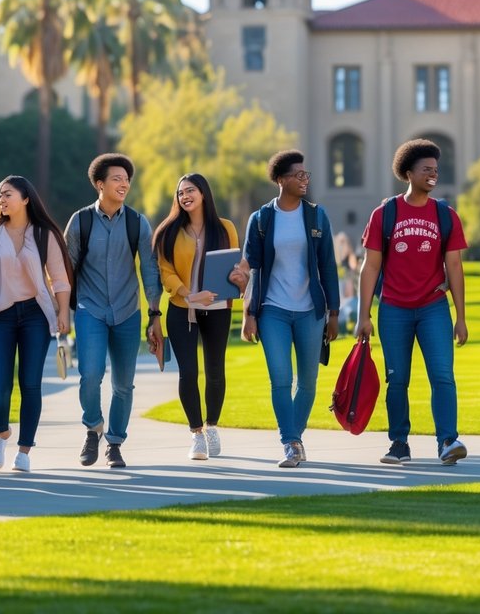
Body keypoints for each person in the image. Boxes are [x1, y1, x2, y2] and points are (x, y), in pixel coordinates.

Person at [356, 138, 469, 466]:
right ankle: (399, 443)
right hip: (394, 309)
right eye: (426, 169)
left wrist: (461, 317)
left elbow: (454, 267)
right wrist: (364, 315)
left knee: (443, 376)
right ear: (408, 173)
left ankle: (447, 441)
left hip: (434, 308)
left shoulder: (446, 215)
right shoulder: (385, 214)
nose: (433, 174)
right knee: (397, 379)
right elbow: (370, 266)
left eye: (436, 170)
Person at [240, 150, 341, 468]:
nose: (304, 180)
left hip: (311, 311)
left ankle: (294, 438)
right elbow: (252, 269)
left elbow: (328, 266)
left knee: (308, 382)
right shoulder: (260, 220)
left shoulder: (317, 216)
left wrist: (334, 312)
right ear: (281, 180)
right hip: (273, 310)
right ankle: (291, 442)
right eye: (298, 175)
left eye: (306, 174)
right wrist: (248, 315)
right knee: (281, 379)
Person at [65, 154, 162, 470]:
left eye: (127, 179)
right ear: (100, 184)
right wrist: (61, 312)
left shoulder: (137, 223)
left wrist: (155, 313)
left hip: (126, 311)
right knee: (90, 375)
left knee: (123, 384)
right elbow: (66, 269)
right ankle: (93, 428)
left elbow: (149, 269)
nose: (124, 184)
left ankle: (115, 443)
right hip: (89, 308)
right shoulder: (80, 222)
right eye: (117, 178)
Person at [0, 176, 73, 473]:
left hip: (35, 316)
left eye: (8, 194)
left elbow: (59, 277)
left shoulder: (44, 234)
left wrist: (63, 313)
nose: (1, 199)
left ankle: (25, 450)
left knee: (30, 383)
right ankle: (0, 435)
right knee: (0, 384)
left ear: (26, 199)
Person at [154, 173, 246, 461]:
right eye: (180, 193)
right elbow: (166, 272)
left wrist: (238, 277)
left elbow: (234, 265)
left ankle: (212, 426)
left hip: (217, 310)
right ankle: (196, 434)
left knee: (215, 371)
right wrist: (190, 295)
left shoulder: (225, 228)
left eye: (190, 190)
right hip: (182, 309)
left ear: (203, 193)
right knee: (188, 372)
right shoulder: (169, 231)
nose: (185, 196)